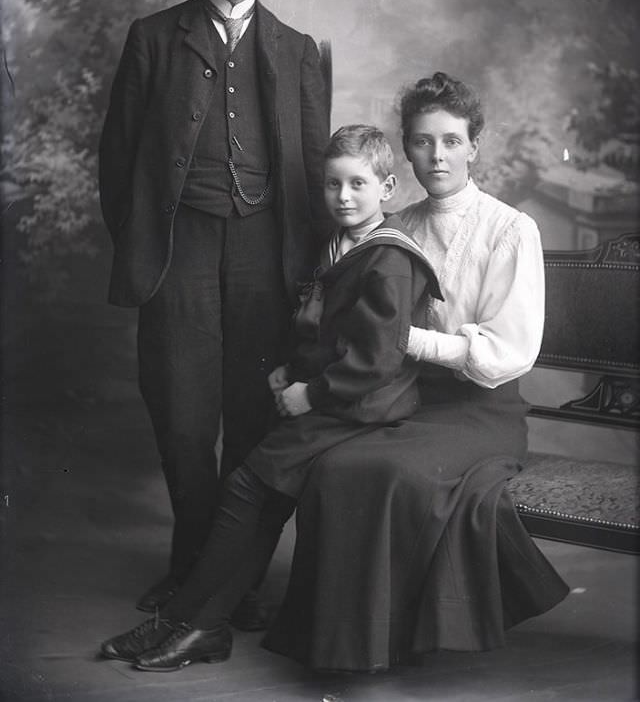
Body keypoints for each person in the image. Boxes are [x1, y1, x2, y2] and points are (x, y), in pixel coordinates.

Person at [99, 124, 443, 671]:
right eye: (332, 185)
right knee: (257, 498)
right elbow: (322, 329)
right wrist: (290, 369)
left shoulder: (389, 259)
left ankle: (189, 621)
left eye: (358, 184)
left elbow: (377, 360)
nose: (343, 197)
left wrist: (313, 394)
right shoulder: (337, 243)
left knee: (246, 487)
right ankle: (195, 624)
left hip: (364, 408)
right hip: (337, 399)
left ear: (388, 187)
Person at [261, 72, 570, 672]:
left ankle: (377, 644)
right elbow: (349, 322)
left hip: (481, 408)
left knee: (385, 470)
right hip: (404, 398)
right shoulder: (393, 224)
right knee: (334, 467)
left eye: (452, 141)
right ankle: (340, 643)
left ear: (474, 146)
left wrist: (408, 340)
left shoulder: (511, 229)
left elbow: (510, 353)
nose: (438, 156)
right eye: (423, 142)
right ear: (405, 150)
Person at [98, 0, 330, 621]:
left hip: (268, 255)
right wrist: (148, 242)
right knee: (184, 416)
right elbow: (118, 162)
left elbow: (318, 168)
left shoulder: (297, 49)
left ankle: (238, 579)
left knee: (255, 416)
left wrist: (309, 269)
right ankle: (192, 570)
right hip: (181, 250)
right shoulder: (154, 37)